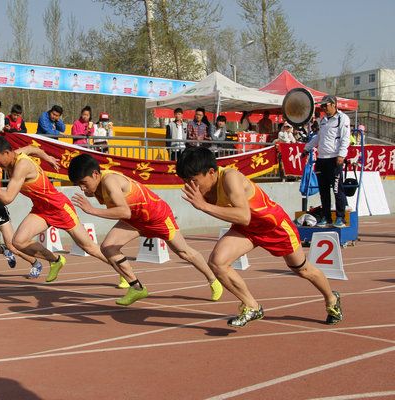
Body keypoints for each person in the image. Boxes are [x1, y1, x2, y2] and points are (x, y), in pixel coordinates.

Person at [177, 146, 343, 327]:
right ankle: (251, 306)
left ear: (211, 172)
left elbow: (244, 215)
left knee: (302, 270)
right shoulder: (203, 190)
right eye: (185, 181)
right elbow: (244, 221)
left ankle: (331, 298)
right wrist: (204, 203)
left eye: (193, 180)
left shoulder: (230, 178)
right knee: (217, 263)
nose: (190, 186)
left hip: (274, 226)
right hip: (247, 229)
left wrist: (204, 206)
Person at [0, 136, 127, 286]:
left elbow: (8, 198)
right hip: (41, 209)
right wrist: (47, 158)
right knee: (18, 242)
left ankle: (123, 273)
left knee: (89, 247)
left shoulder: (21, 166)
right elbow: (32, 148)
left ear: (6, 153)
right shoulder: (14, 156)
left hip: (58, 207)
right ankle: (56, 260)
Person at [68, 154, 223, 306]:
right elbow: (127, 213)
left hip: (157, 216)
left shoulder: (109, 181)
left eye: (84, 183)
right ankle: (136, 288)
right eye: (78, 185)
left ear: (95, 174)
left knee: (183, 252)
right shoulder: (95, 187)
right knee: (108, 247)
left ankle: (213, 279)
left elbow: (124, 211)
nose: (82, 188)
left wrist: (92, 210)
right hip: (135, 220)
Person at [302, 95, 351, 228]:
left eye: (325, 105)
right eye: (322, 106)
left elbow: (345, 138)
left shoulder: (342, 118)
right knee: (323, 190)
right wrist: (307, 148)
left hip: (334, 159)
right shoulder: (323, 120)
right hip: (321, 159)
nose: (323, 108)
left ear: (333, 104)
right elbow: (319, 137)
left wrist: (341, 155)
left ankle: (340, 217)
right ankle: (326, 217)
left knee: (336, 189)